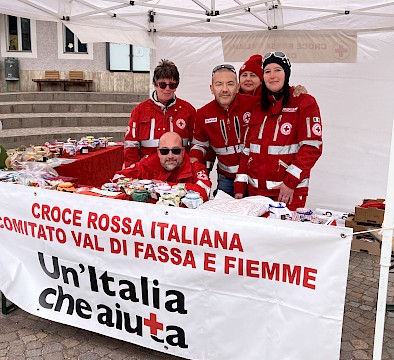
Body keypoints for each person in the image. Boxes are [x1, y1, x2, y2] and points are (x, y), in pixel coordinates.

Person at [234, 51, 323, 210]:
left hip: (288, 192)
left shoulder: (304, 102)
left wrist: (290, 182)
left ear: (286, 74)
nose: (272, 75)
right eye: (267, 71)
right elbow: (247, 150)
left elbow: (311, 148)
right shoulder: (258, 107)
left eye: (278, 70)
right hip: (255, 193)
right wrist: (240, 187)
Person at [189, 64, 255, 197]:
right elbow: (200, 144)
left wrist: (295, 91)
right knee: (224, 214)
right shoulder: (203, 114)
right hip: (226, 178)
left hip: (255, 177)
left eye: (230, 84)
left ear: (237, 86)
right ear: (211, 88)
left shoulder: (254, 104)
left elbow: (279, 99)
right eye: (219, 84)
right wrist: (194, 161)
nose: (224, 89)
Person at [123, 59, 196, 168]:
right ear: (155, 84)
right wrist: (133, 171)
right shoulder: (140, 110)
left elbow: (197, 143)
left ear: (176, 86)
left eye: (172, 85)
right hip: (148, 172)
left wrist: (191, 167)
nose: (167, 89)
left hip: (178, 171)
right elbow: (131, 145)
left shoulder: (188, 110)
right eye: (162, 85)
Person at [116, 132, 211, 202]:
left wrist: (166, 186)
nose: (170, 156)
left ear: (183, 152)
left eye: (176, 151)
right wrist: (143, 186)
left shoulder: (195, 167)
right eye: (164, 151)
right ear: (158, 152)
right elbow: (118, 177)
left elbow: (205, 191)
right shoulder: (147, 163)